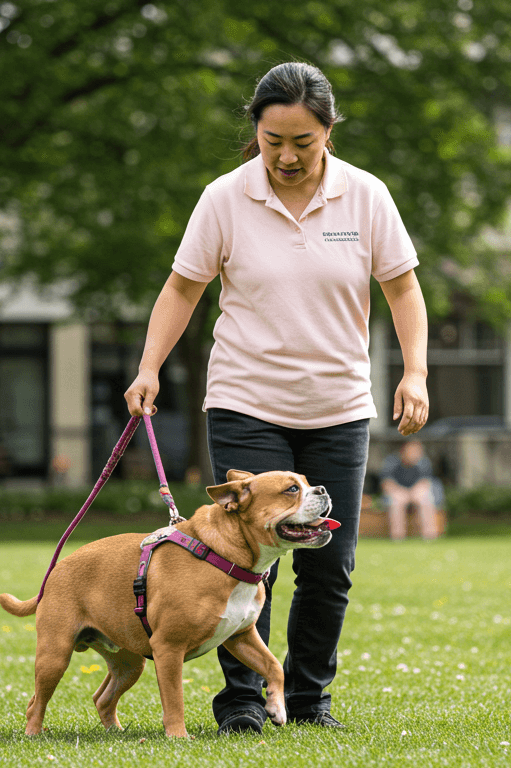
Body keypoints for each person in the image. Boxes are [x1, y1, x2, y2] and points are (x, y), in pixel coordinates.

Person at [123, 61, 429, 735]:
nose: (287, 156)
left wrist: (416, 372)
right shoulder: (225, 198)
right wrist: (149, 368)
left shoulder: (367, 197)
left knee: (329, 564)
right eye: (272, 141)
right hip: (246, 399)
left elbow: (402, 287)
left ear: (328, 132)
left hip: (338, 407)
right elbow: (183, 289)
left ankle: (311, 701)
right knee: (234, 559)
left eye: (303, 142)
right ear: (255, 132)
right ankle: (240, 706)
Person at [378, 438, 441, 540]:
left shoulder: (423, 462)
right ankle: (398, 537)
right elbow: (387, 484)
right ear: (404, 450)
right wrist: (403, 493)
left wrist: (413, 493)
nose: (416, 453)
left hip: (416, 492)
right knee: (396, 501)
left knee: (426, 499)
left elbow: (425, 483)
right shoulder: (391, 462)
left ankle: (430, 536)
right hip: (398, 492)